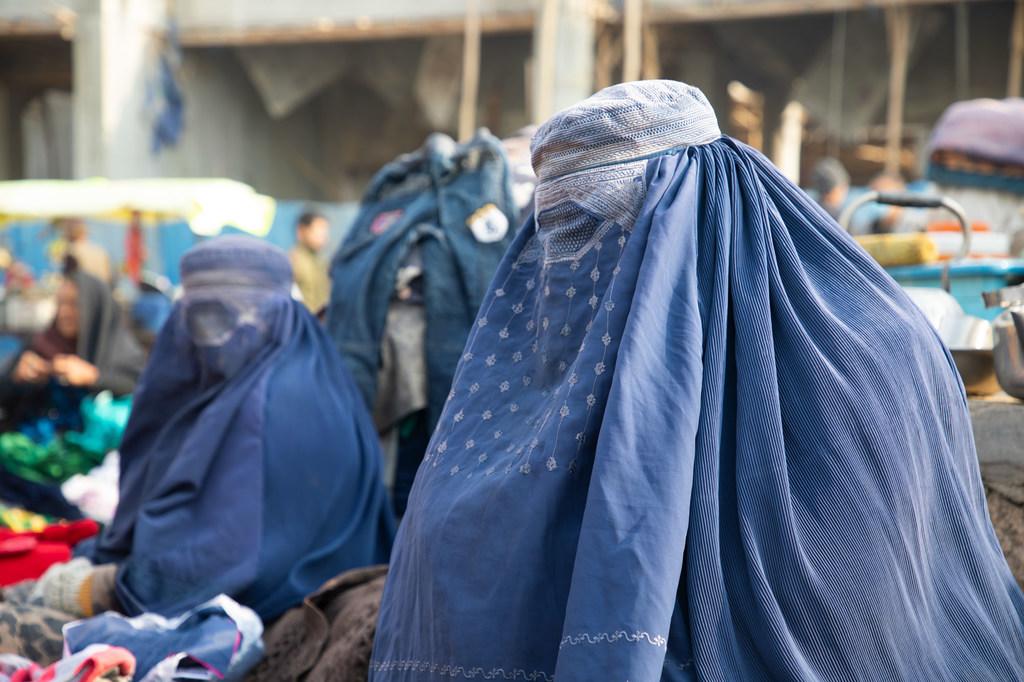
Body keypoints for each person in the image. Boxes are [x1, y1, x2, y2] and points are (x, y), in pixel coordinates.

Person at [369, 82, 1024, 681]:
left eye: (595, 222)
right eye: (553, 228)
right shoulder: (540, 371)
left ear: (685, 212)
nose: (569, 259)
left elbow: (856, 627)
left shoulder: (870, 363)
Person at [9, 237, 395, 638]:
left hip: (275, 618)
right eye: (203, 320)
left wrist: (102, 587)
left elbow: (220, 564)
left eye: (236, 318)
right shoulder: (294, 375)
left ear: (280, 313)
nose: (219, 338)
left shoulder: (272, 405)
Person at [0, 264, 145, 432]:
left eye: (73, 304)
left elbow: (143, 390)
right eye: (60, 304)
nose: (64, 313)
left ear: (95, 308)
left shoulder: (120, 352)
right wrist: (16, 378)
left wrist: (94, 377)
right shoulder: (40, 346)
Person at [289, 210, 331, 313]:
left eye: (325, 231)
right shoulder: (293, 261)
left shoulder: (322, 263)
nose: (324, 236)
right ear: (302, 230)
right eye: (319, 230)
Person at [58, 219, 112, 285]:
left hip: (82, 292)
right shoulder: (100, 251)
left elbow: (67, 280)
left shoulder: (71, 252)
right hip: (100, 292)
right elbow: (108, 277)